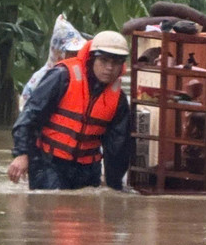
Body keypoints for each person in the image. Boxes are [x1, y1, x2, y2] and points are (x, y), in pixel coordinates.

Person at [8, 30, 134, 190]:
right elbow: (30, 116)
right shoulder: (62, 77)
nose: (109, 68)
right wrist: (22, 154)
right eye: (104, 60)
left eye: (116, 63)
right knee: (51, 208)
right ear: (92, 58)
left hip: (87, 170)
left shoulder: (118, 100)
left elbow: (118, 148)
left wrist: (114, 187)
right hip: (49, 162)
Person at [19, 14, 87, 112]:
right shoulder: (40, 79)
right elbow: (26, 115)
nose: (76, 57)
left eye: (78, 52)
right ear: (59, 52)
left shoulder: (82, 77)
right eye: (72, 53)